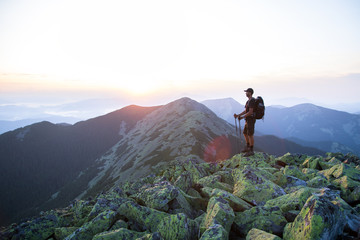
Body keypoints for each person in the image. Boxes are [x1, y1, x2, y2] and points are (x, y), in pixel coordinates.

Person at [234, 88, 256, 156]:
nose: (246, 93)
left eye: (247, 92)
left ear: (250, 93)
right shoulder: (248, 101)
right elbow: (246, 111)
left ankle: (251, 150)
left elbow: (250, 112)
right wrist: (238, 115)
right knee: (245, 133)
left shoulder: (252, 100)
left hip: (251, 120)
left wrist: (242, 117)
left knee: (250, 134)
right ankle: (248, 147)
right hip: (248, 120)